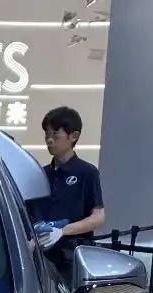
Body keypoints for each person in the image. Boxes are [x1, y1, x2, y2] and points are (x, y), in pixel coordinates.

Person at [35, 107, 107, 284]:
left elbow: (98, 217)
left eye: (55, 134)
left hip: (72, 257)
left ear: (73, 136)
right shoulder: (40, 173)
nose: (49, 139)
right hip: (42, 257)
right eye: (47, 134)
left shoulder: (87, 172)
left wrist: (62, 231)